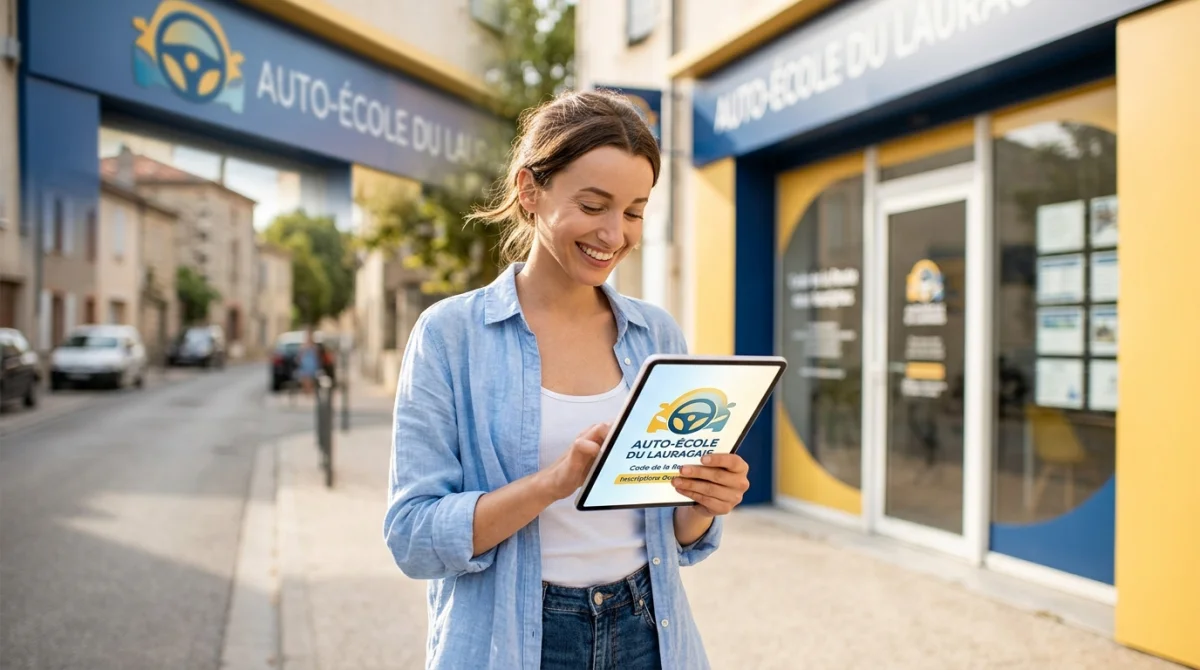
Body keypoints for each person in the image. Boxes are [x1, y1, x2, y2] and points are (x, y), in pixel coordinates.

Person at [384, 89, 751, 670]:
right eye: (593, 205)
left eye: (633, 211)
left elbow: (673, 535)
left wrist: (705, 501)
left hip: (648, 633)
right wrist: (552, 484)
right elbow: (413, 535)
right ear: (531, 190)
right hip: (515, 640)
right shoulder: (450, 335)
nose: (614, 234)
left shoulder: (655, 334)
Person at [295, 328, 320, 395]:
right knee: (305, 378)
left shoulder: (314, 346)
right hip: (305, 364)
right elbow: (300, 355)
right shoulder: (303, 346)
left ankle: (309, 391)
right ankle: (306, 391)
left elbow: (316, 356)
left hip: (311, 364)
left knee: (310, 379)